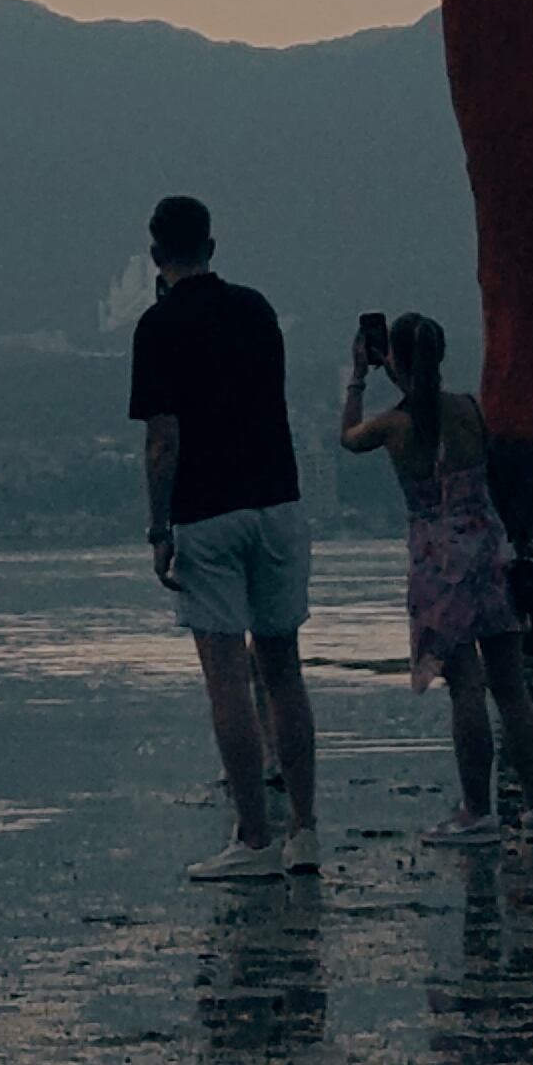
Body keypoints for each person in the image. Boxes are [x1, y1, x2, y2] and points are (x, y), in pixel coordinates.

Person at [133, 194, 321, 882]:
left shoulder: (157, 326)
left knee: (227, 682)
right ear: (213, 245)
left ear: (157, 255)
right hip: (277, 500)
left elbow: (163, 440)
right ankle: (305, 830)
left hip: (207, 514)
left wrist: (158, 529)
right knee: (284, 672)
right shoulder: (258, 310)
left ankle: (253, 836)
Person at [341, 310, 533, 843]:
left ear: (395, 358)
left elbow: (347, 436)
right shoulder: (468, 410)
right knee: (512, 686)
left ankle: (477, 810)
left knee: (466, 688)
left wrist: (359, 374)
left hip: (439, 567)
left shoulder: (394, 424)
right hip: (490, 550)